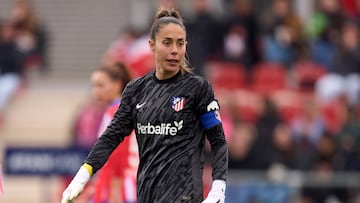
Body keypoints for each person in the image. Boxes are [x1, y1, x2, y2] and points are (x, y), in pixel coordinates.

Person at [61, 7, 228, 203]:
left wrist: (219, 187)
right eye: (167, 42)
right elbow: (111, 137)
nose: (175, 50)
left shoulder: (198, 88)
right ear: (152, 45)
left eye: (180, 43)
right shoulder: (136, 90)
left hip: (184, 197)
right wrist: (84, 173)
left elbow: (218, 140)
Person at [91, 63, 138, 203]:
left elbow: (118, 152)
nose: (96, 91)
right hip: (121, 184)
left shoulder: (117, 112)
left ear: (117, 85)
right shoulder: (122, 108)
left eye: (101, 85)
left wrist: (115, 187)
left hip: (122, 186)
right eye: (94, 86)